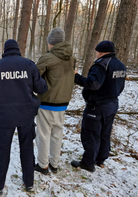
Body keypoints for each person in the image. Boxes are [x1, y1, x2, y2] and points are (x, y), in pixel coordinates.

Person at [0, 39, 47, 196]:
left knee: (3, 151)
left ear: (5, 50)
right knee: (27, 149)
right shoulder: (29, 65)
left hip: (4, 117)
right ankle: (29, 183)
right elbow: (41, 88)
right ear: (18, 50)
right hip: (26, 115)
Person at [71, 40, 126, 172]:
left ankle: (88, 162)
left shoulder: (101, 65)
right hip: (112, 104)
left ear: (100, 52)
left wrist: (76, 77)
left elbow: (93, 84)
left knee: (91, 133)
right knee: (104, 132)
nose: (96, 54)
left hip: (97, 106)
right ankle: (101, 158)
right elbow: (121, 86)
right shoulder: (121, 65)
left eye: (97, 51)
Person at [35, 27, 76, 175]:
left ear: (50, 42)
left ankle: (43, 165)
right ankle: (55, 164)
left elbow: (34, 77)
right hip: (63, 103)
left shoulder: (48, 58)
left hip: (47, 102)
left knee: (43, 135)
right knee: (57, 135)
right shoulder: (71, 58)